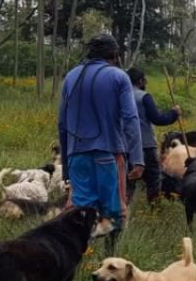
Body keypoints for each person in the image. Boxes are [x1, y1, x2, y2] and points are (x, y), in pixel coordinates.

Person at [58, 34, 144, 250]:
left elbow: (62, 123)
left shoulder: (71, 77)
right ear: (114, 55)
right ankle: (110, 259)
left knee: (80, 211)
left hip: (76, 155)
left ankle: (74, 256)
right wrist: (137, 158)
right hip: (109, 155)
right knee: (114, 212)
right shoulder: (118, 77)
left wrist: (66, 168)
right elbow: (131, 119)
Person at [127, 67, 181, 204]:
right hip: (146, 145)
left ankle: (124, 209)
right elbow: (157, 118)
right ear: (140, 81)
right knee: (154, 179)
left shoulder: (120, 96)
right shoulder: (144, 96)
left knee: (128, 181)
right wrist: (173, 114)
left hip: (125, 147)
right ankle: (154, 207)